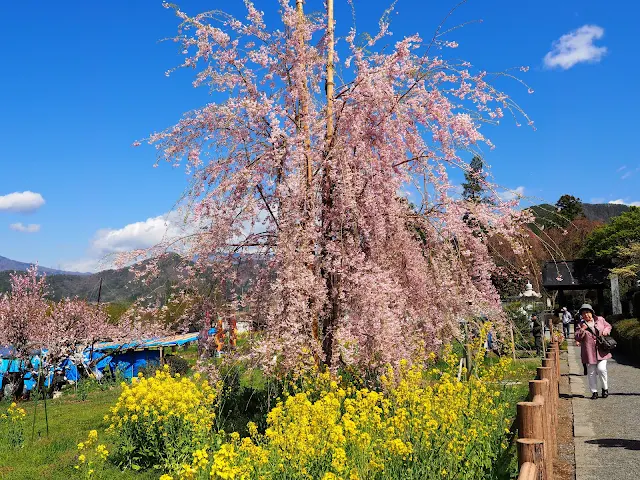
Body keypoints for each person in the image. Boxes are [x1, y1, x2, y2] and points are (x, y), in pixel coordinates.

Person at [574, 304, 613, 399]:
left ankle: (605, 388)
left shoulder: (600, 319)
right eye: (583, 313)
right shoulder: (580, 324)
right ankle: (594, 392)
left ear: (591, 312)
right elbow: (577, 337)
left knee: (601, 369)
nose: (586, 315)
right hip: (589, 351)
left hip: (601, 350)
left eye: (587, 312)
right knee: (591, 372)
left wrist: (606, 330)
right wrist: (582, 329)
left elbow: (608, 326)